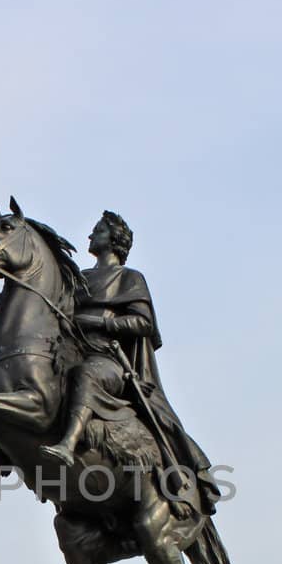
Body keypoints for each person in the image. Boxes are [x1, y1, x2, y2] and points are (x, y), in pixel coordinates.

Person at [39, 211, 220, 516]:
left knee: (86, 375)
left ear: (114, 240)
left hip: (108, 362)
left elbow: (143, 322)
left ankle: (68, 444)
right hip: (70, 354)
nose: (90, 236)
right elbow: (48, 318)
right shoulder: (78, 278)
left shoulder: (129, 278)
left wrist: (98, 321)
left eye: (97, 231)